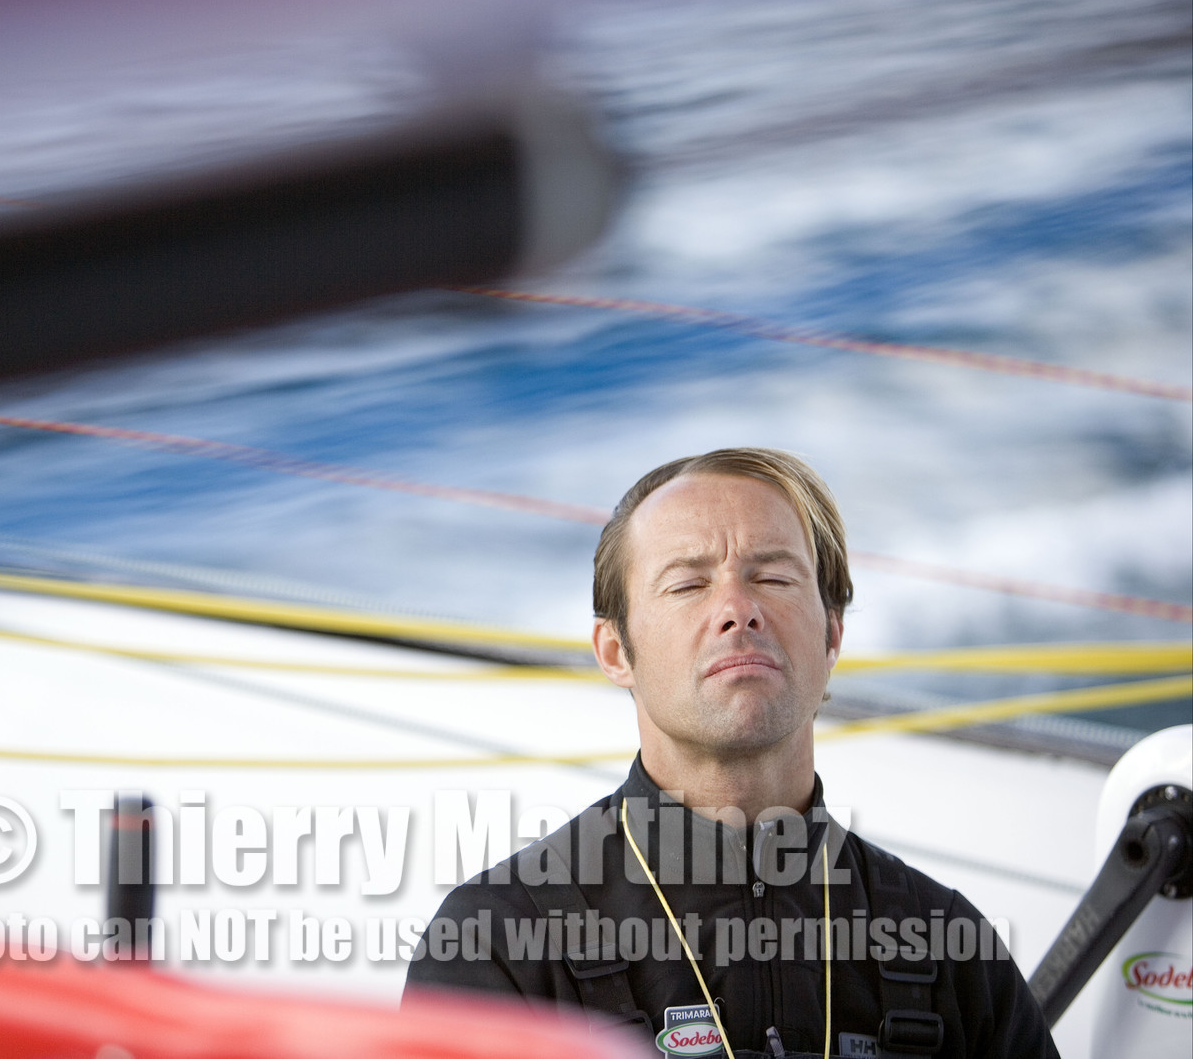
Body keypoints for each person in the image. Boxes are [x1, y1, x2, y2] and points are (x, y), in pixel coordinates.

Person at [404, 449, 1058, 1059]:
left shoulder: (946, 941)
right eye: (688, 585)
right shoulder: (493, 943)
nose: (738, 610)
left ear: (832, 633)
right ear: (614, 651)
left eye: (772, 576)